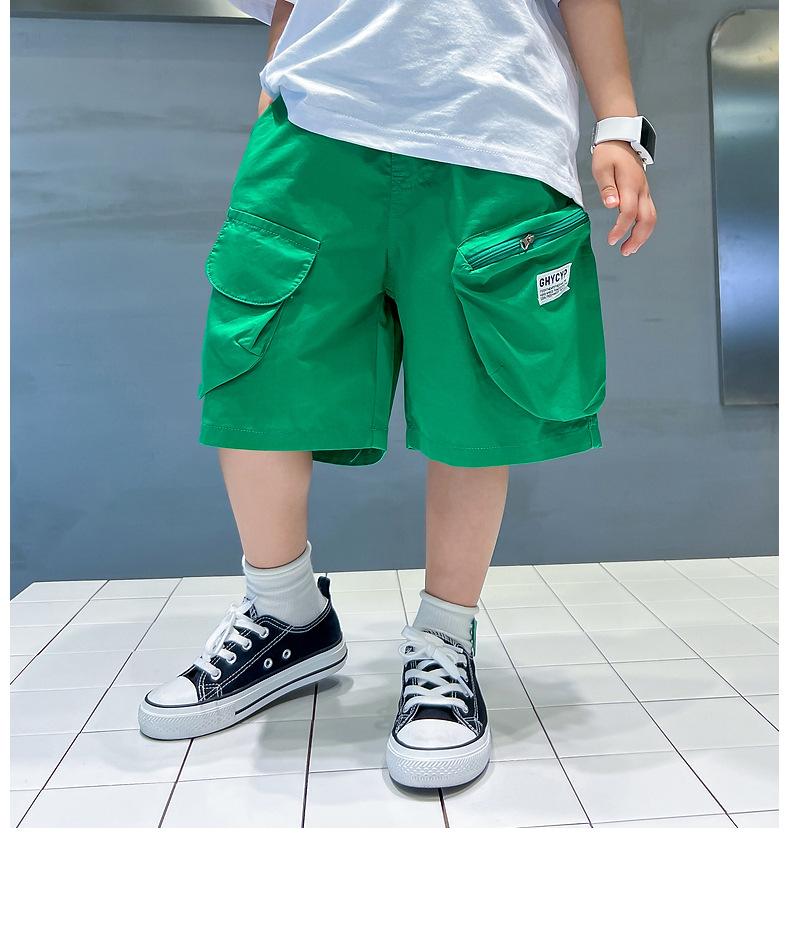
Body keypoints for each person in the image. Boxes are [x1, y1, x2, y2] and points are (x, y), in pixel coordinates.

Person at [138, 0, 657, 789]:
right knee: (259, 378)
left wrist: (619, 124)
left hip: (493, 121)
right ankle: (284, 612)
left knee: (475, 403)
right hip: (315, 122)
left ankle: (446, 639)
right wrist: (272, 91)